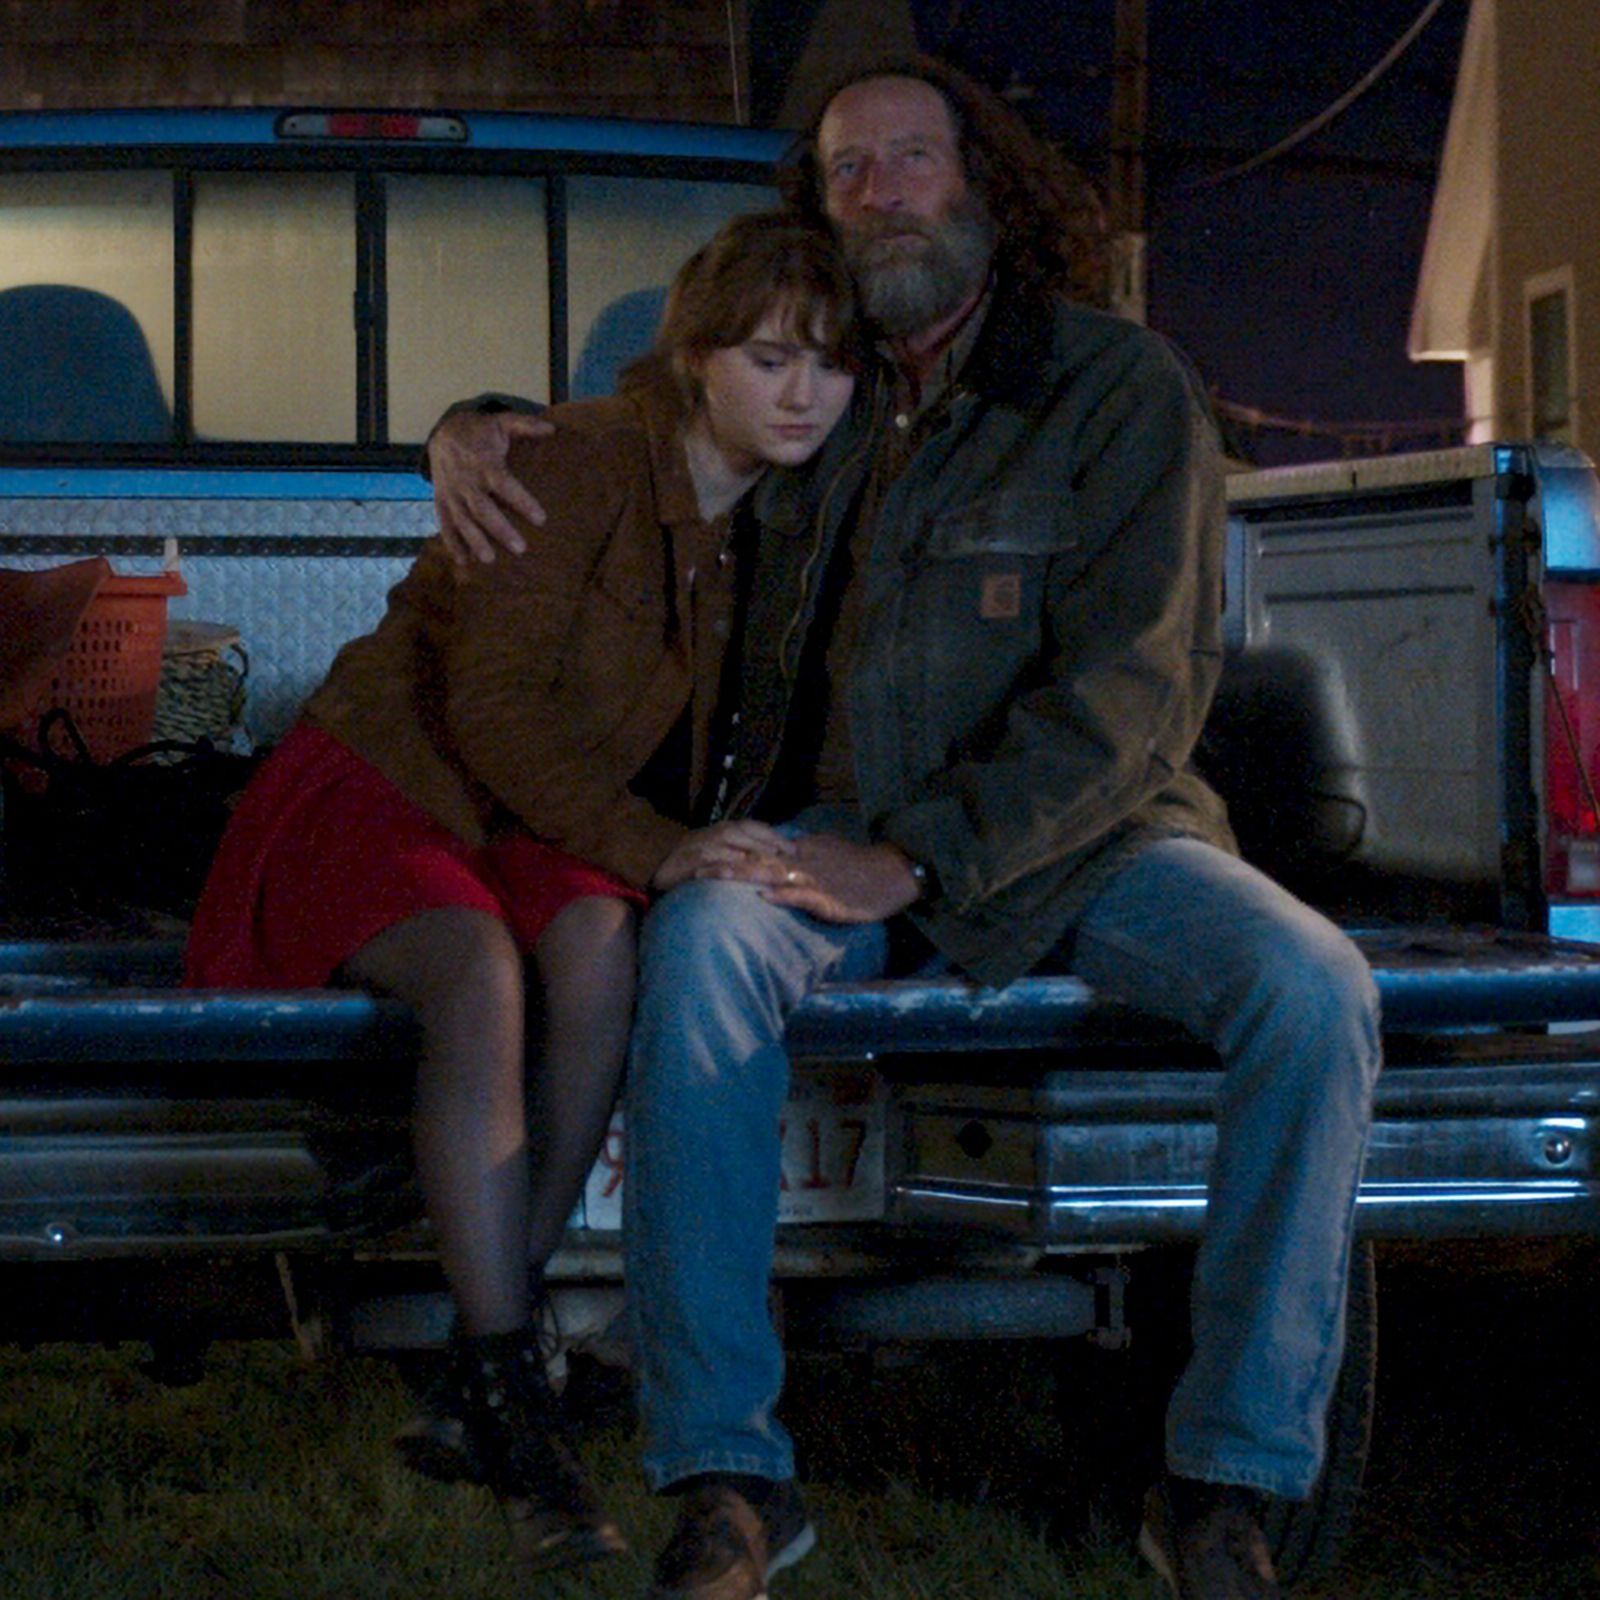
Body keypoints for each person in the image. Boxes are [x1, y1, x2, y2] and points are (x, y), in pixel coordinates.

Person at [426, 57, 1381, 1600]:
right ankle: (728, 1478)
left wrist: (920, 856)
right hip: (840, 831)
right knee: (707, 942)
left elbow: (1135, 693)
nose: (882, 194)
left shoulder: (1115, 388)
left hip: (1093, 841)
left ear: (982, 183)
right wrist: (472, 428)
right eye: (848, 171)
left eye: (912, 158)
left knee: (1316, 987)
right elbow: (641, 428)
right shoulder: (814, 381)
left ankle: (1227, 1485)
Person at [183, 210, 859, 1580]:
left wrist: (689, 848)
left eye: (830, 364)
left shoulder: (764, 520)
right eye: (769, 358)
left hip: (526, 810)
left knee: (603, 943)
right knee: (479, 977)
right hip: (392, 777)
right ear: (697, 356)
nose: (804, 393)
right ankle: (513, 1404)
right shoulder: (581, 459)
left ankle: (478, 1358)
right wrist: (658, 844)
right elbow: (488, 708)